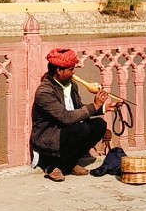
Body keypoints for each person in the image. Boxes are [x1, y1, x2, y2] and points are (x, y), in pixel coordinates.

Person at [31, 48, 116, 181]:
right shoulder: (45, 92)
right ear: (59, 71)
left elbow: (79, 109)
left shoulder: (72, 85)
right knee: (81, 128)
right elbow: (66, 117)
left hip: (68, 130)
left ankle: (70, 163)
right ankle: (54, 166)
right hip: (50, 134)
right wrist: (95, 105)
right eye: (71, 69)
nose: (74, 72)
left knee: (99, 125)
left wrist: (103, 108)